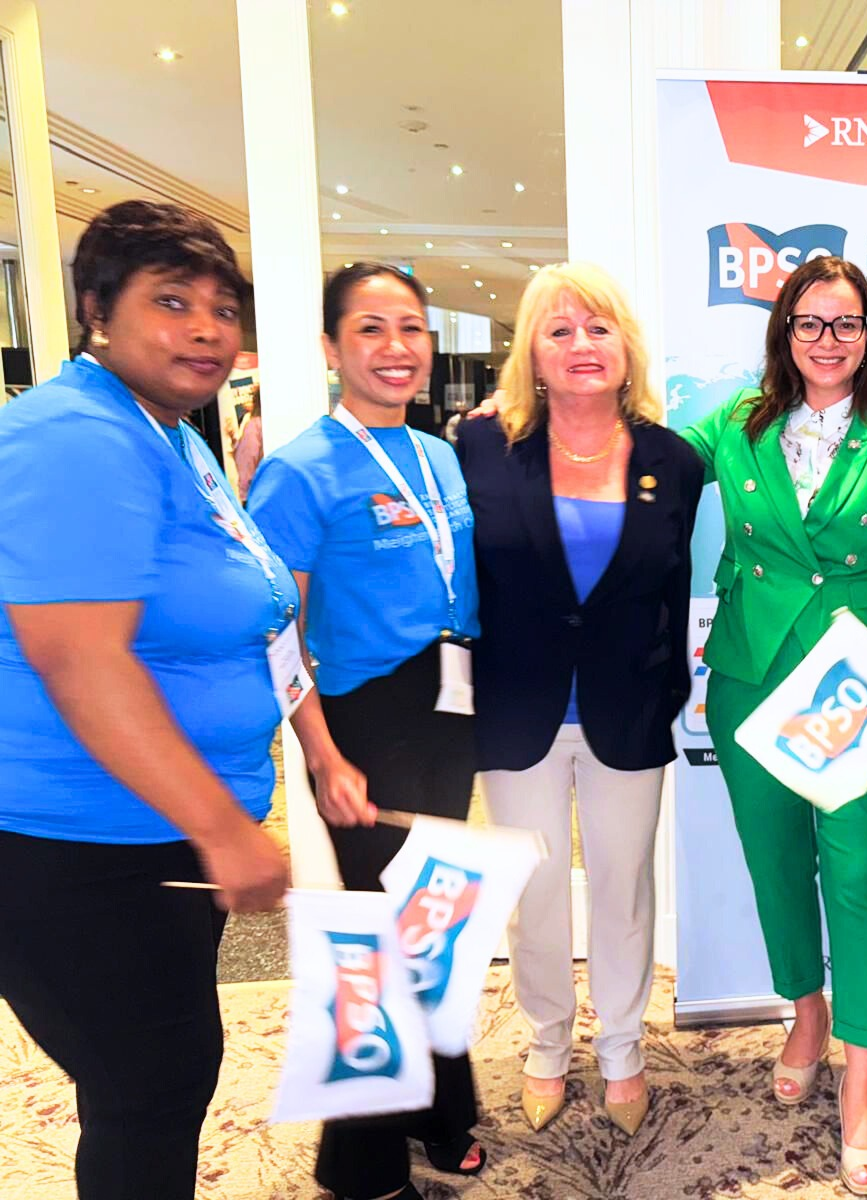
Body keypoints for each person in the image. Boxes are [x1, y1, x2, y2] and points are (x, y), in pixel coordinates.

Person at [0, 200, 317, 1200]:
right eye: (171, 302)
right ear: (97, 309)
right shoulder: (74, 436)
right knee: (152, 1081)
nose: (206, 330)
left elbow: (251, 607)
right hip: (74, 845)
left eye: (222, 309)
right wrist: (223, 829)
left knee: (149, 1080)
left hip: (142, 842)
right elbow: (84, 663)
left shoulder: (169, 435)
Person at [680, 255, 867, 1196]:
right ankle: (808, 1013)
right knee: (776, 865)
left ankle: (861, 1087)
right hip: (749, 682)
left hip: (856, 688)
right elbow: (640, 463)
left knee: (861, 881)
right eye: (810, 323)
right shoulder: (732, 427)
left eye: (848, 323)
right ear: (784, 333)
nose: (828, 340)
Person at [249, 262, 484, 1200]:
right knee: (376, 937)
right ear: (331, 347)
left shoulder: (440, 454)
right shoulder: (299, 471)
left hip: (447, 708)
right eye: (373, 330)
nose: (397, 349)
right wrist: (321, 752)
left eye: (413, 329)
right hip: (361, 720)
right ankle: (359, 1156)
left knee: (438, 916)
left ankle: (439, 1105)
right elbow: (275, 626)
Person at [455, 262, 702, 1139]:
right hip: (517, 711)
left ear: (626, 345)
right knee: (534, 891)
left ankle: (625, 1047)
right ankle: (549, 1044)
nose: (580, 345)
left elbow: (682, 593)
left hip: (627, 712)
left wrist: (671, 690)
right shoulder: (480, 445)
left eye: (597, 328)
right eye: (558, 331)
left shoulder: (676, 461)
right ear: (531, 352)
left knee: (623, 888)